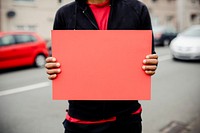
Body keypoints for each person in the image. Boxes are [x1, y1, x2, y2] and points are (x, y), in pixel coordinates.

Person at [45, 0, 158, 132]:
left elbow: (149, 56)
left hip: (126, 119)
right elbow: (57, 60)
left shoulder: (137, 9)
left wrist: (151, 64)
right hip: (81, 121)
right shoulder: (65, 14)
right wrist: (53, 67)